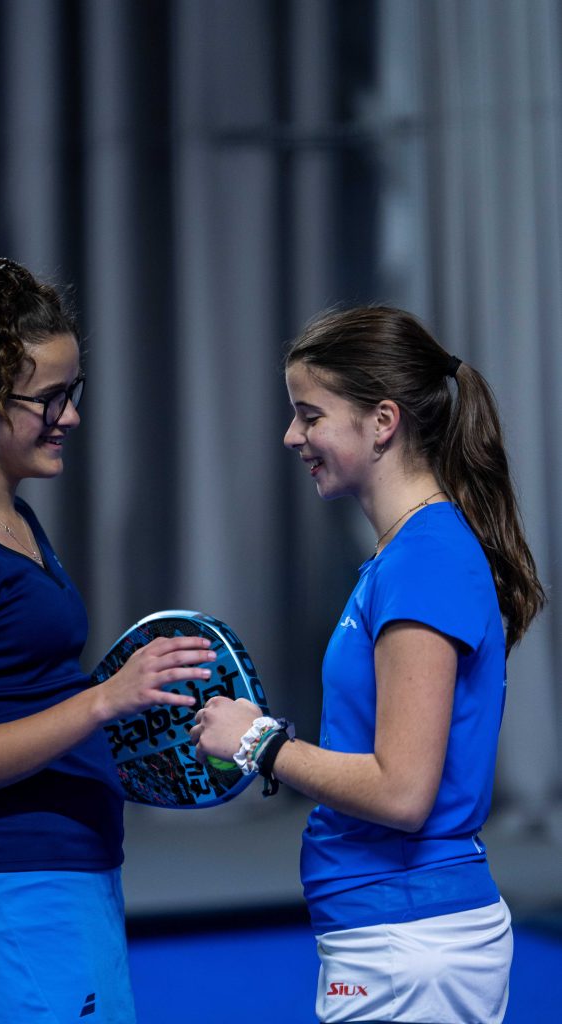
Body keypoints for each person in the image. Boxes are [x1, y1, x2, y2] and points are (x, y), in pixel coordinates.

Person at [0, 255, 215, 1024]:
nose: (70, 417)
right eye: (49, 399)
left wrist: (135, 722)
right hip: (6, 900)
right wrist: (102, 701)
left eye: (74, 391)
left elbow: (28, 695)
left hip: (67, 884)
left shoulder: (15, 518)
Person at [191, 305, 546, 1024]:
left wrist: (257, 741)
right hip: (391, 940)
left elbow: (402, 792)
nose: (292, 436)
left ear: (382, 422)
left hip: (408, 945)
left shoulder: (425, 560)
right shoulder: (406, 556)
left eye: (310, 415)